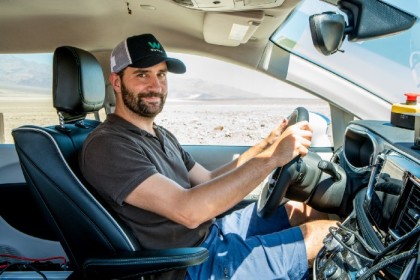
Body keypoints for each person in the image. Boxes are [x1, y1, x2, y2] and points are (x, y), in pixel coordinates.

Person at [79, 33, 337, 279]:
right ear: (116, 82)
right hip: (190, 265)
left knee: (303, 209)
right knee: (326, 236)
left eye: (161, 74)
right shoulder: (108, 145)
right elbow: (189, 210)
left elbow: (210, 179)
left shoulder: (160, 134)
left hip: (212, 235)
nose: (156, 86)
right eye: (142, 75)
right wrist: (272, 159)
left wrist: (266, 145)